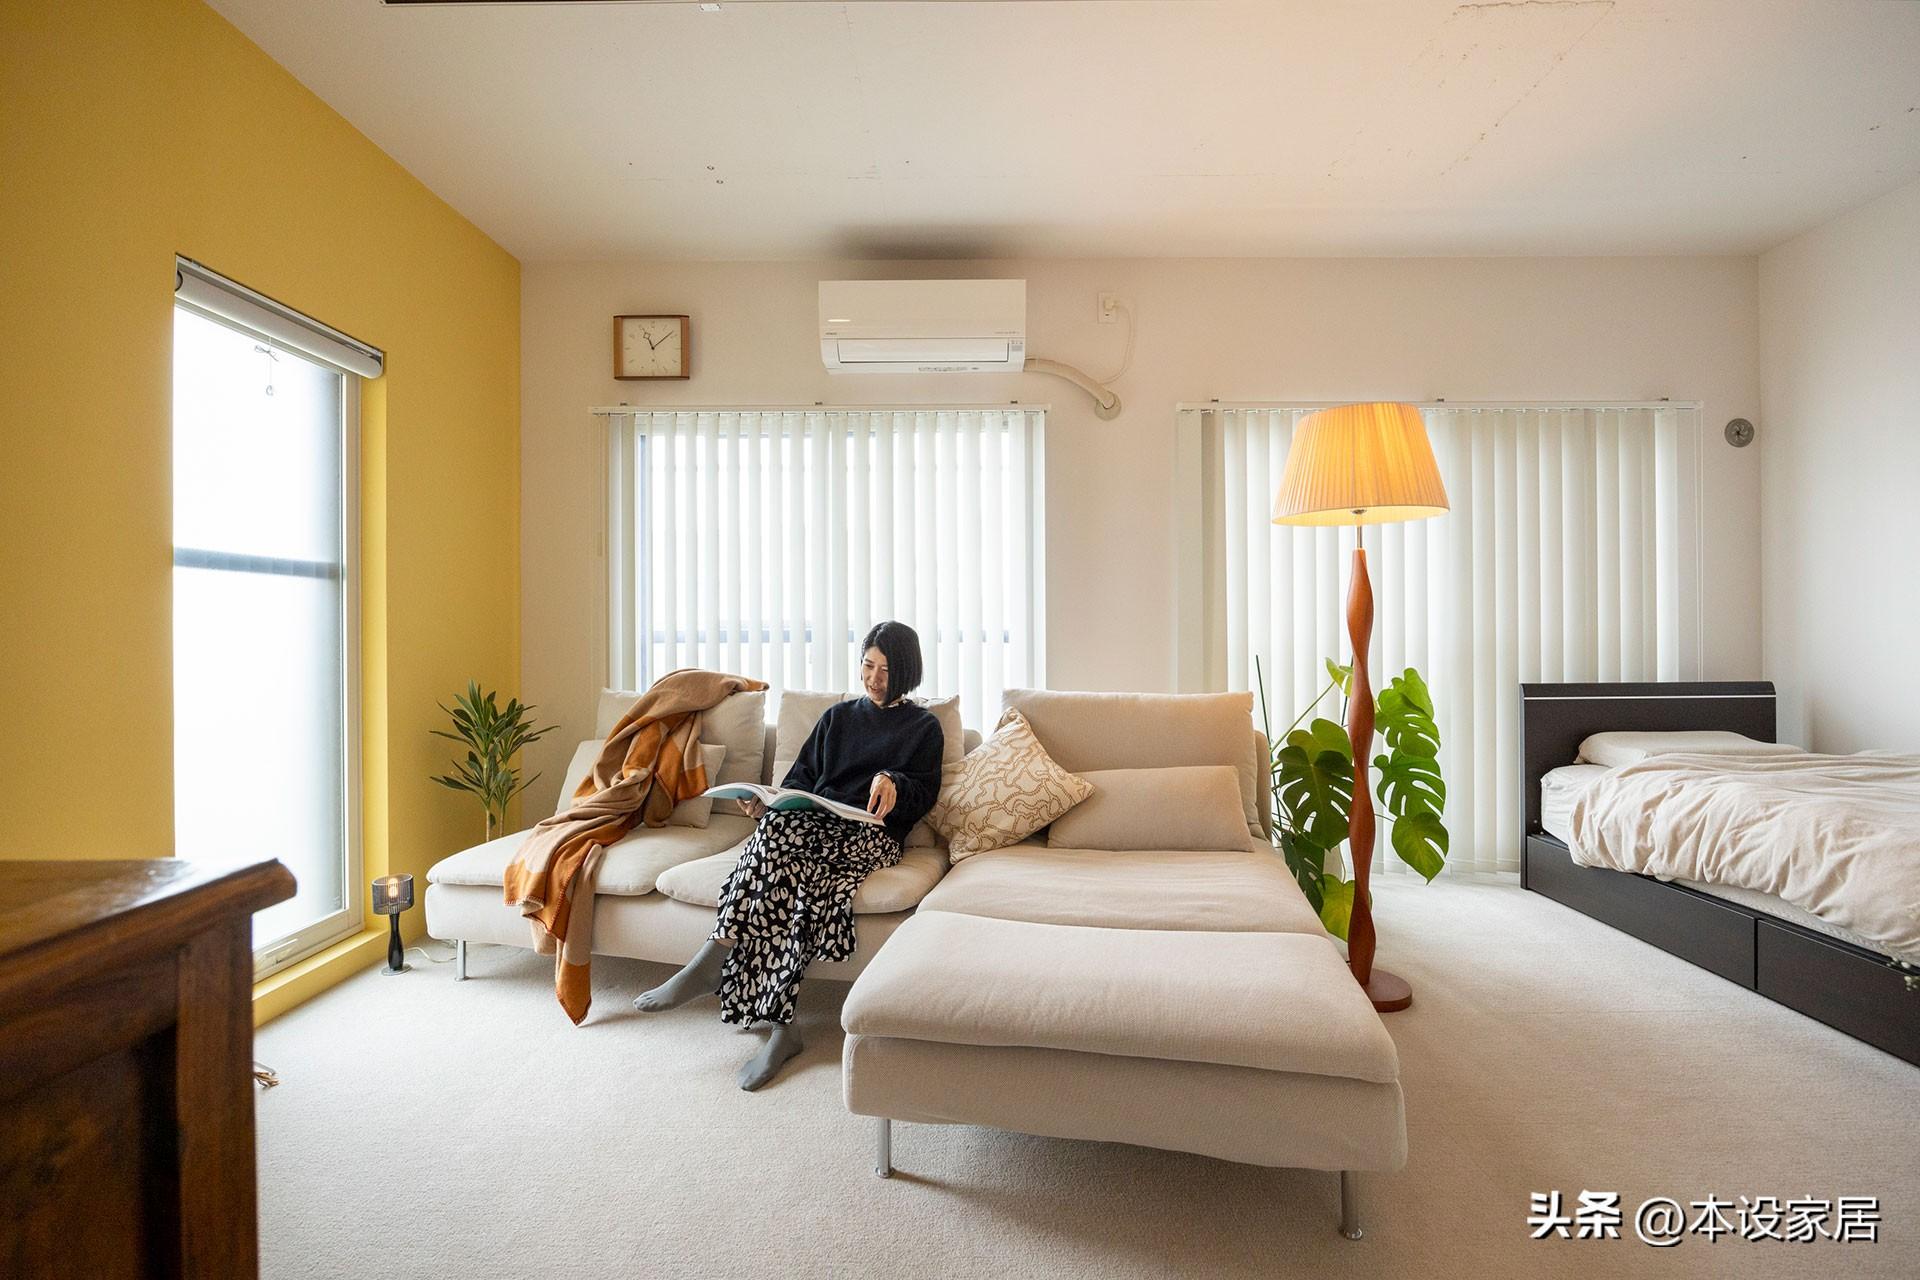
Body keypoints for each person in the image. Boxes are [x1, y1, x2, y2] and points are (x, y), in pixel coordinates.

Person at [634, 621, 945, 1090]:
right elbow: (800, 780)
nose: (873, 678)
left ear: (906, 670)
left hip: (871, 836)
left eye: (885, 670)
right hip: (811, 826)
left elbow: (924, 794)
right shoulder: (838, 718)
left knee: (787, 854)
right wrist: (766, 804)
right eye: (867, 665)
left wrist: (894, 782)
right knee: (794, 872)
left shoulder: (923, 727)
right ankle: (782, 1026)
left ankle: (716, 958)